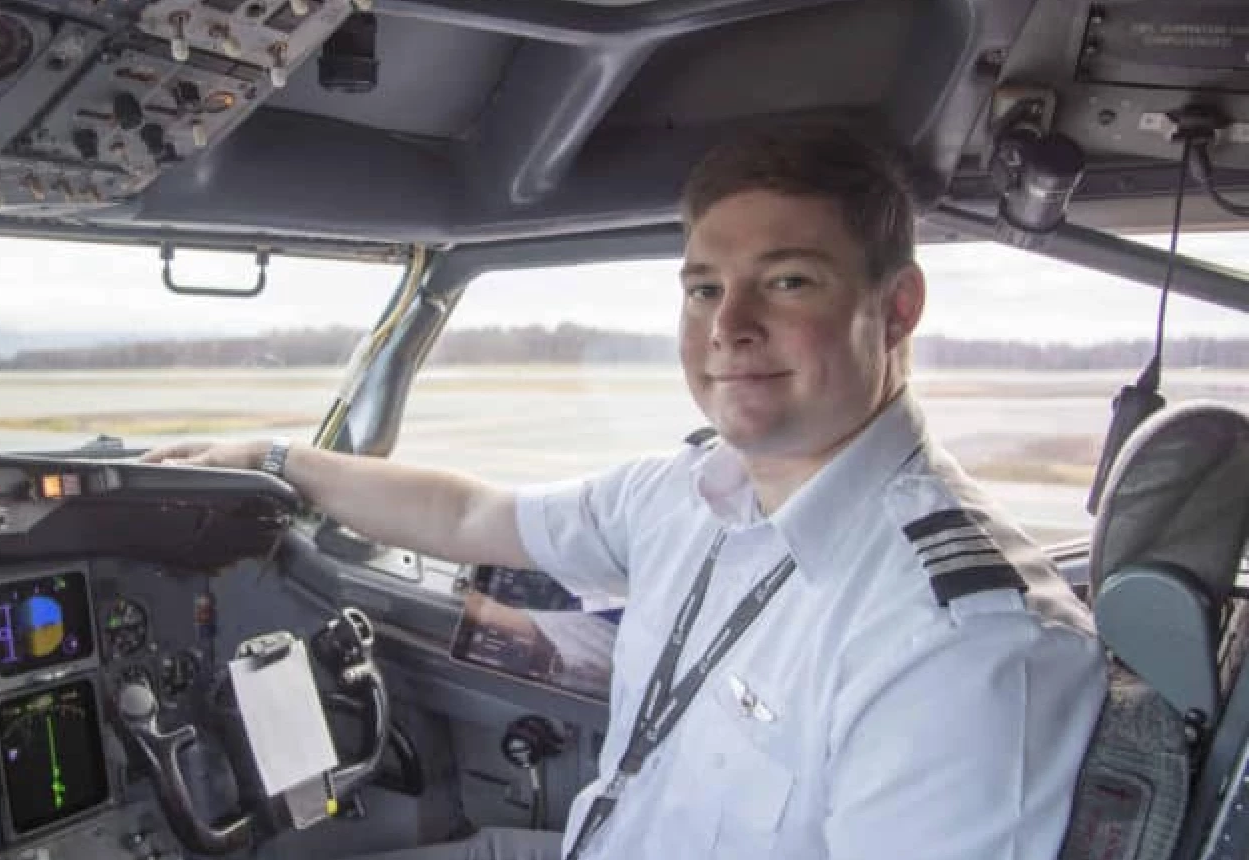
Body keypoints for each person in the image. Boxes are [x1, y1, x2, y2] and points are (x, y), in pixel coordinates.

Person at [141, 120, 1107, 860]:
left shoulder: (961, 645)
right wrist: (279, 459)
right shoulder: (687, 494)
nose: (728, 325)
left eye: (789, 282)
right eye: (702, 288)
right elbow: (473, 516)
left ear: (896, 309)